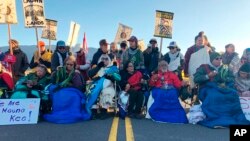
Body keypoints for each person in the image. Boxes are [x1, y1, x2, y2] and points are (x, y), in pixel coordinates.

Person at [193, 52, 250, 128]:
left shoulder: (224, 68)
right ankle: (215, 118)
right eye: (217, 59)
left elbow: (232, 78)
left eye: (220, 58)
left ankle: (231, 116)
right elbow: (196, 79)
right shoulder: (204, 67)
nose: (219, 60)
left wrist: (225, 79)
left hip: (223, 87)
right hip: (208, 88)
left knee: (233, 93)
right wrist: (208, 76)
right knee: (214, 95)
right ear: (211, 59)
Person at [87, 54, 121, 119]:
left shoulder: (113, 68)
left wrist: (111, 76)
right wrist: (98, 67)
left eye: (106, 59)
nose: (104, 60)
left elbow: (118, 79)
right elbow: (90, 74)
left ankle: (104, 111)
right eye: (103, 59)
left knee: (106, 92)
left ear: (109, 60)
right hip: (96, 86)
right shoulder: (98, 67)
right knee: (92, 91)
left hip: (109, 86)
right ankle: (93, 112)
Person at [184, 32, 213, 97]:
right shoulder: (190, 49)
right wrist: (185, 71)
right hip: (192, 69)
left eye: (202, 40)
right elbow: (186, 60)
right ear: (195, 41)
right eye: (199, 40)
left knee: (203, 85)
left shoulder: (207, 49)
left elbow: (212, 59)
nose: (200, 42)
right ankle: (194, 102)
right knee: (194, 87)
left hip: (203, 70)